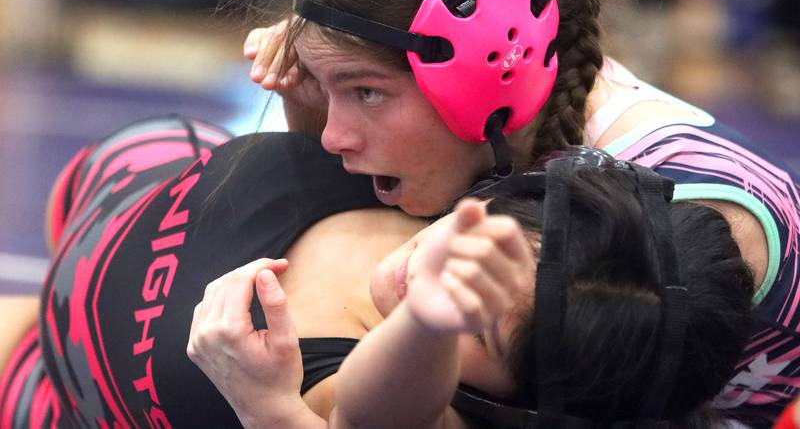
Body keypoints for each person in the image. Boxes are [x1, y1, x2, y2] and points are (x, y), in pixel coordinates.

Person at [240, 0, 800, 426]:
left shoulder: (673, 223)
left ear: (486, 72)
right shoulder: (535, 122)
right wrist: (306, 94)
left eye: (366, 92)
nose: (336, 136)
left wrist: (273, 414)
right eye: (328, 89)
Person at [0, 112, 754, 427]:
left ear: (515, 402)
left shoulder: (398, 400)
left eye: (477, 323)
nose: (436, 270)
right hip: (129, 182)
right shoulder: (455, 161)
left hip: (50, 389)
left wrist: (272, 411)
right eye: (487, 248)